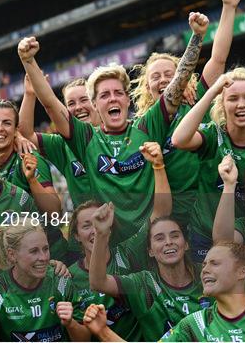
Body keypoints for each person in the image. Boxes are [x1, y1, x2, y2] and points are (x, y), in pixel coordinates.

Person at [18, 12, 208, 243]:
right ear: (95, 105)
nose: (113, 99)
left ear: (128, 100)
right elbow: (49, 104)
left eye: (118, 93)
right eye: (105, 95)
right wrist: (29, 61)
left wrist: (197, 37)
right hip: (108, 246)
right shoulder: (86, 138)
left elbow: (177, 85)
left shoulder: (147, 126)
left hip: (150, 243)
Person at [130, 0, 242, 230]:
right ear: (146, 88)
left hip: (211, 206)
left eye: (169, 73)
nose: (163, 80)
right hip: (173, 219)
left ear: (184, 75)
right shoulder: (145, 125)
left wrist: (228, 7)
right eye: (155, 77)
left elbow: (218, 58)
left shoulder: (199, 99)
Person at [172, 70, 245, 262]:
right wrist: (212, 92)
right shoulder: (213, 135)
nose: (241, 104)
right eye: (232, 98)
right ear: (222, 105)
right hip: (204, 234)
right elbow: (179, 139)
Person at [69, 141, 171, 340]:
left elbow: (161, 213)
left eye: (98, 222)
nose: (94, 230)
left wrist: (158, 166)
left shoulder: (128, 251)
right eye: (86, 226)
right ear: (76, 236)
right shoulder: (68, 276)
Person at [89, 201, 209, 341]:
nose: (168, 242)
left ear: (186, 244)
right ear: (150, 251)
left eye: (175, 235)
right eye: (159, 238)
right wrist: (101, 234)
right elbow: (98, 282)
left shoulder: (206, 274)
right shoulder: (143, 283)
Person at [0, 224, 88, 341]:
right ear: (12, 254)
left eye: (46, 249)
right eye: (34, 251)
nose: (43, 257)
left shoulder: (60, 280)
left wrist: (71, 324)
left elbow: (86, 339)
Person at [19, 75, 97, 208]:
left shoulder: (118, 135)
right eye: (71, 104)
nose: (78, 107)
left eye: (84, 100)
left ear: (96, 102)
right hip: (88, 225)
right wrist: (30, 94)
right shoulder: (62, 145)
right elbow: (26, 134)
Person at [0, 100, 62, 215]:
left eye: (7, 123)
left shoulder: (29, 159)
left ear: (16, 130)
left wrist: (32, 180)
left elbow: (54, 212)